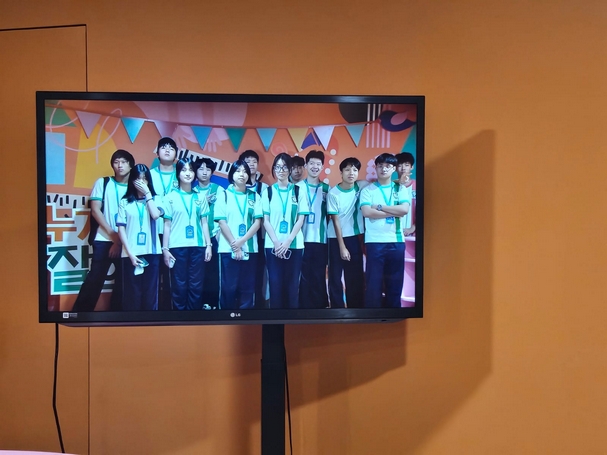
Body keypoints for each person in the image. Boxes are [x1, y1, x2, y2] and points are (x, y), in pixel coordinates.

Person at [72, 150, 135, 312]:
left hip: (127, 242)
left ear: (131, 165)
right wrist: (113, 236)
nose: (120, 165)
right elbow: (95, 210)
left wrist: (119, 241)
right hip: (104, 239)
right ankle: (80, 315)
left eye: (124, 162)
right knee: (94, 279)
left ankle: (117, 316)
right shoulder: (104, 182)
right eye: (116, 162)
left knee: (123, 283)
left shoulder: (135, 187)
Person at [360, 153, 410, 308]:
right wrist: (393, 212)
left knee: (395, 283)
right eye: (380, 166)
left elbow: (404, 210)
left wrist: (380, 207)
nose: (383, 169)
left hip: (396, 241)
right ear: (375, 168)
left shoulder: (400, 189)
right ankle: (372, 315)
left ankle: (393, 315)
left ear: (394, 169)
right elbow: (367, 212)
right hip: (374, 242)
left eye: (387, 166)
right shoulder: (368, 190)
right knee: (373, 284)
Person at [161, 158, 212, 310]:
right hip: (177, 247)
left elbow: (204, 223)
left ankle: (193, 317)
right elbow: (167, 225)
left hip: (198, 246)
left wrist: (208, 245)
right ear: (178, 174)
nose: (188, 173)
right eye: (184, 170)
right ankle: (179, 317)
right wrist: (165, 249)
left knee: (196, 285)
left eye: (190, 170)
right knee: (179, 284)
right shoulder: (170, 198)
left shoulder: (200, 197)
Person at [262, 153, 309, 309]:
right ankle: (276, 320)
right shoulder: (268, 192)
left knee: (292, 285)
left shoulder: (298, 191)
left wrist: (288, 241)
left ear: (290, 169)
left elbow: (300, 219)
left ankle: (292, 321)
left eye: (284, 167)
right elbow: (265, 221)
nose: (280, 170)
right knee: (275, 285)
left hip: (294, 245)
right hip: (273, 246)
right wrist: (277, 243)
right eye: (277, 167)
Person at [214, 160, 262, 309]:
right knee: (228, 288)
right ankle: (225, 319)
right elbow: (222, 222)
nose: (242, 174)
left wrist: (242, 242)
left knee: (247, 289)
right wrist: (235, 245)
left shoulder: (255, 196)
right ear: (231, 174)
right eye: (238, 171)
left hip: (250, 249)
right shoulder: (223, 195)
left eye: (245, 171)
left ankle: (246, 320)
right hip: (228, 249)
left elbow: (257, 223)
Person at [116, 164, 163, 311]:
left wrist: (148, 194)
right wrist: (130, 254)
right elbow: (121, 228)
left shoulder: (156, 199)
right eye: (138, 179)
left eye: (144, 179)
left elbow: (155, 215)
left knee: (150, 295)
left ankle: (151, 323)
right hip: (131, 254)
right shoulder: (125, 202)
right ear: (132, 181)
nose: (141, 182)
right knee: (132, 296)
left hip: (152, 252)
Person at [326, 157, 368, 308]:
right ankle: (337, 308)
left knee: (355, 276)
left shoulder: (361, 187)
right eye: (347, 170)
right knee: (335, 276)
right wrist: (342, 247)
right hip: (335, 238)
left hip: (354, 238)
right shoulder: (333, 193)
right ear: (341, 172)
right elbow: (335, 221)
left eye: (355, 170)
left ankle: (355, 307)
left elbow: (381, 182)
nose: (351, 173)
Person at [297, 150, 330, 309]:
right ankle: (302, 309)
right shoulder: (297, 187)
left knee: (318, 275)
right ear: (306, 165)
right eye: (312, 163)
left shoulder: (327, 189)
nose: (315, 167)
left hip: (320, 240)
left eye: (318, 164)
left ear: (322, 167)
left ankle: (320, 309)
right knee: (302, 276)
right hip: (299, 240)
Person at [150, 137, 178, 310]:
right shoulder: (149, 175)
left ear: (176, 154)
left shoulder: (182, 173)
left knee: (173, 275)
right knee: (153, 273)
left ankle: (171, 311)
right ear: (157, 152)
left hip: (175, 232)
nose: (167, 150)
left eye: (171, 148)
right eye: (163, 147)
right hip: (153, 230)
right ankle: (153, 311)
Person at [239, 149, 269, 308]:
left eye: (254, 162)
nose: (251, 164)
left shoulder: (264, 188)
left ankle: (258, 305)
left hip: (260, 237)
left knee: (258, 272)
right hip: (239, 238)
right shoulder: (234, 188)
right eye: (247, 161)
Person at [194, 158, 224, 309]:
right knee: (198, 274)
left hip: (215, 236)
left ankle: (213, 305)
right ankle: (199, 305)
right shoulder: (192, 191)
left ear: (212, 172)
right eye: (201, 169)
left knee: (213, 273)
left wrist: (219, 234)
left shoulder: (219, 190)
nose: (204, 172)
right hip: (196, 239)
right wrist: (203, 201)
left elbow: (224, 214)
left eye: (208, 169)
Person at [395, 152, 416, 237]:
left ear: (412, 167)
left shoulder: (418, 185)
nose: (403, 168)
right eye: (400, 165)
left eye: (406, 165)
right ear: (395, 168)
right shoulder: (391, 186)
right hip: (393, 233)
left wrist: (413, 228)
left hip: (414, 234)